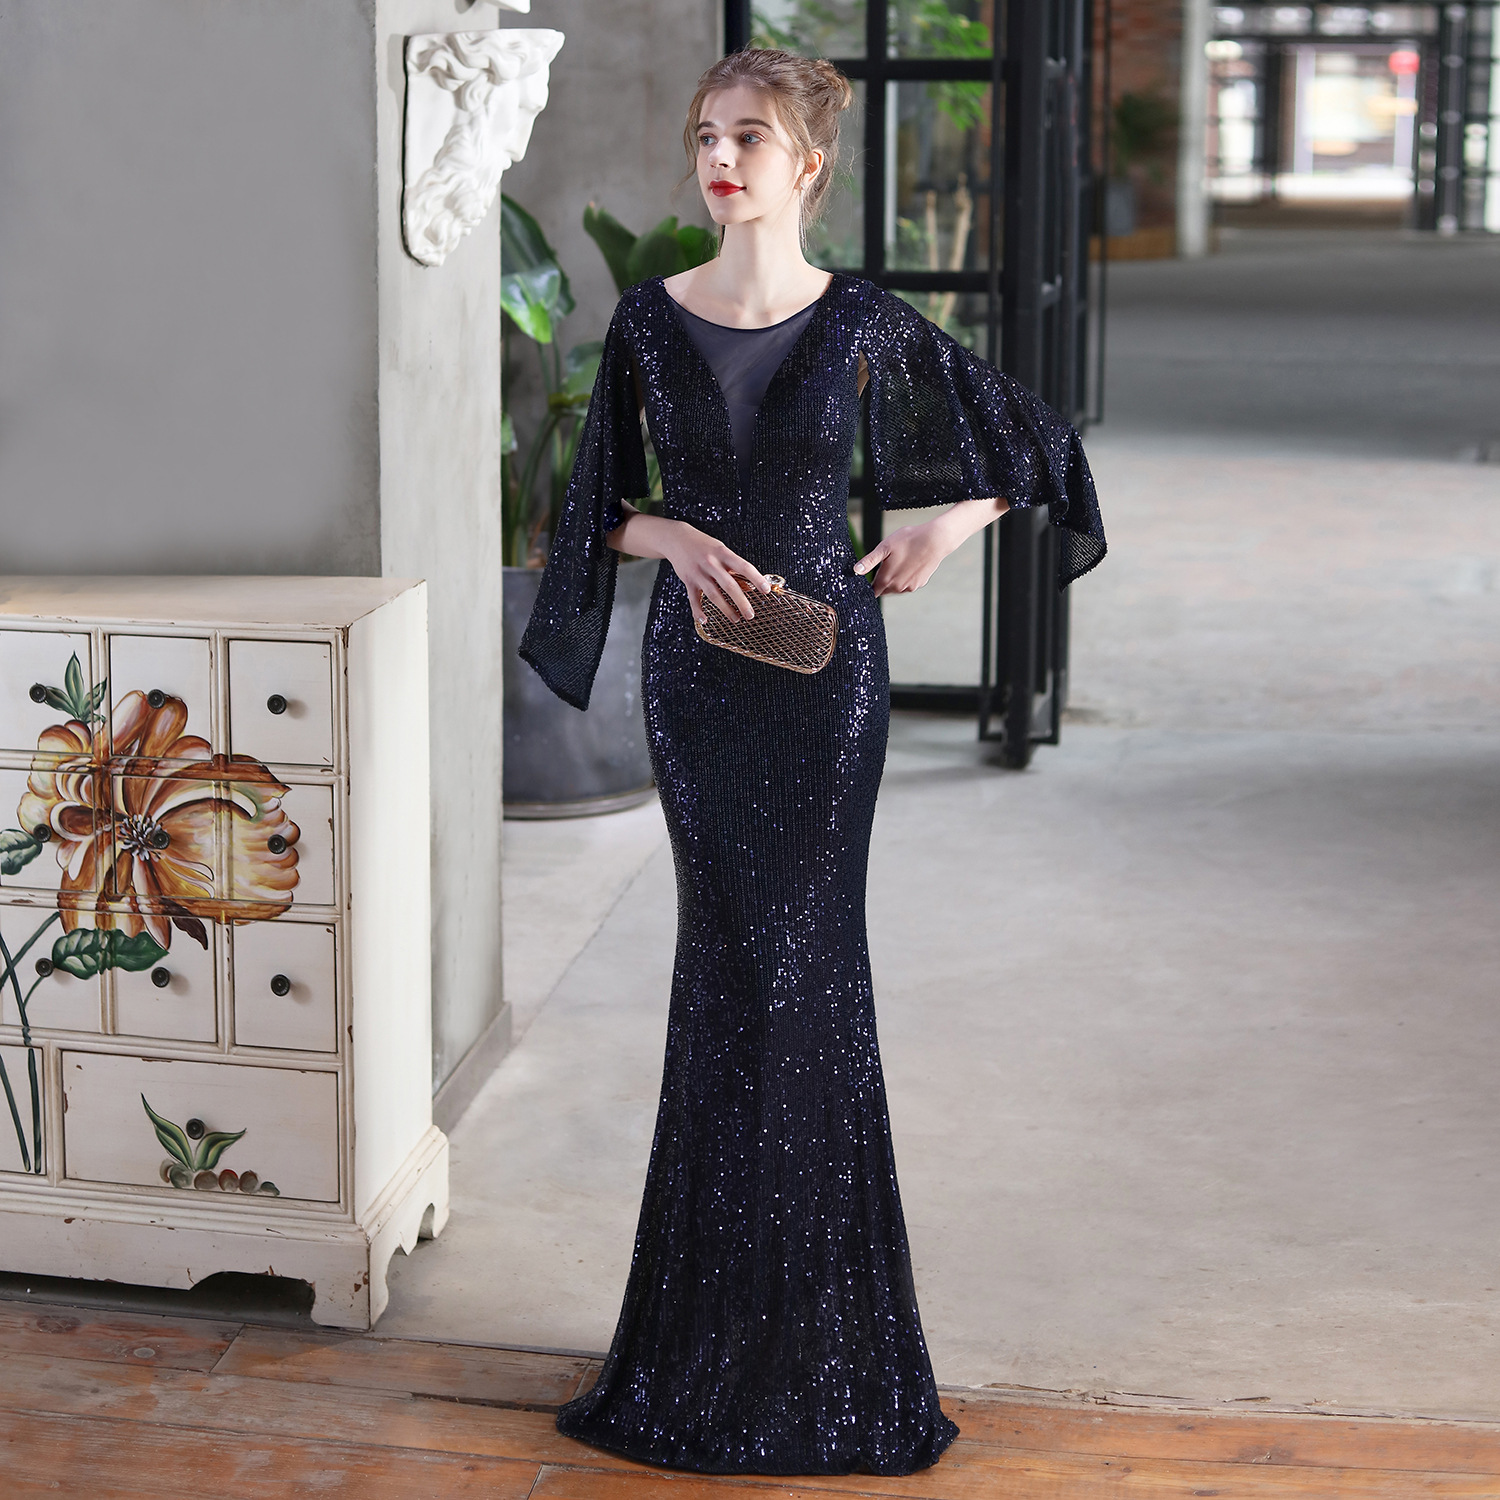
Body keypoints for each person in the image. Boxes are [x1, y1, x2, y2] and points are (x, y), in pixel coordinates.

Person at [520, 46, 1104, 1477]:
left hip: (823, 683)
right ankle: (704, 1339)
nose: (721, 160)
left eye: (751, 139)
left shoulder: (863, 323)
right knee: (726, 973)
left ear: (810, 167)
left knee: (808, 979)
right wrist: (668, 534)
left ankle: (828, 1353)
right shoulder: (648, 321)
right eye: (707, 136)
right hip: (699, 685)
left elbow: (1039, 445)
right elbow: (585, 512)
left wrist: (943, 526)